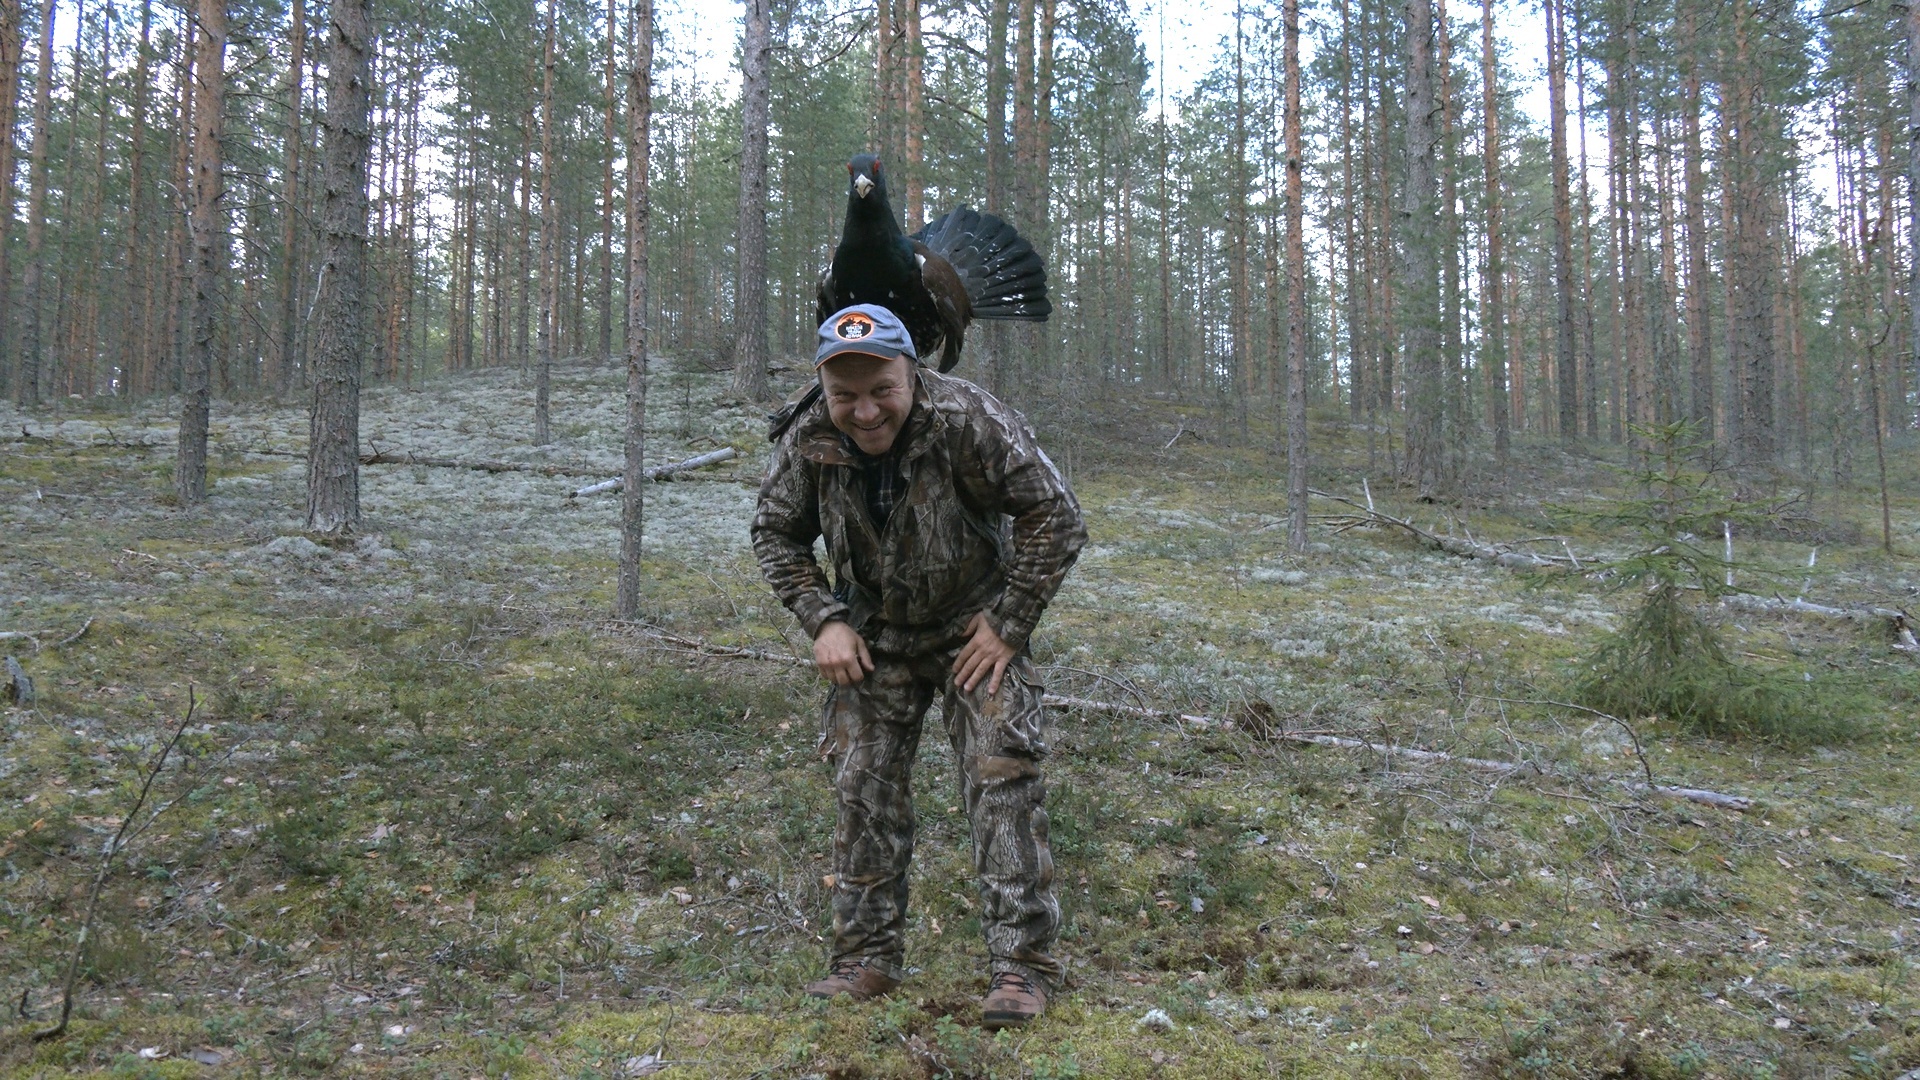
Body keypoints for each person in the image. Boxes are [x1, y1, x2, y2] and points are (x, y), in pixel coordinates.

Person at [752, 304, 1086, 1029]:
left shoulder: (970, 418)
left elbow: (1055, 515)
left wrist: (1008, 624)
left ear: (913, 373)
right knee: (862, 785)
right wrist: (823, 618)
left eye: (883, 390)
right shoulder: (809, 434)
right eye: (846, 396)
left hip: (972, 625)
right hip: (874, 631)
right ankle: (866, 959)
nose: (865, 411)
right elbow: (775, 530)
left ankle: (1020, 970)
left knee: (1002, 775)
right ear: (823, 387)